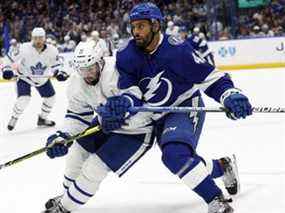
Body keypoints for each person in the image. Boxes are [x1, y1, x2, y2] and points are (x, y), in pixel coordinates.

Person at [97, 2, 252, 213]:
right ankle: (222, 167)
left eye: (141, 26)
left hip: (184, 106)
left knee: (175, 154)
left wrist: (230, 95)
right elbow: (130, 90)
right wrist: (125, 103)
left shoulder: (178, 51)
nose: (136, 32)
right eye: (133, 27)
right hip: (154, 114)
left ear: (156, 25)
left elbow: (211, 78)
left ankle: (216, 201)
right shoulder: (127, 55)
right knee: (180, 159)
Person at [42, 40, 154, 213]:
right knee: (77, 152)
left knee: (95, 167)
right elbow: (77, 116)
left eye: (91, 68)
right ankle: (67, 196)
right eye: (82, 70)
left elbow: (136, 95)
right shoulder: (77, 82)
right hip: (105, 124)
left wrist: (122, 109)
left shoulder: (116, 71)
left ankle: (64, 207)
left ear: (100, 61)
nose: (87, 74)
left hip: (136, 130)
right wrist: (62, 136)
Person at [1, 27, 69, 131]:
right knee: (24, 99)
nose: (38, 40)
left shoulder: (52, 50)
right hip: (25, 77)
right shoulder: (23, 48)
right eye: (36, 38)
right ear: (32, 38)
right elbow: (8, 58)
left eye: (40, 38)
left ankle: (42, 118)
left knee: (51, 98)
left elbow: (57, 64)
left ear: (44, 38)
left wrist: (59, 72)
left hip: (42, 79)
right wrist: (7, 69)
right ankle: (14, 117)